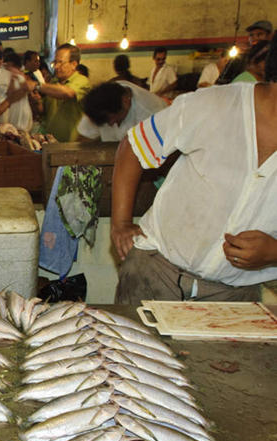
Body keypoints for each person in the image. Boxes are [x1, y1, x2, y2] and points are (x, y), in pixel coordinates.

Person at [110, 33, 277, 306]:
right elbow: (133, 146)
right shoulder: (214, 105)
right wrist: (120, 225)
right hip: (154, 272)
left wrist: (274, 252)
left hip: (234, 296)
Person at [78, 81, 167, 142]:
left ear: (125, 101)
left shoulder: (152, 114)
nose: (111, 124)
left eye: (112, 118)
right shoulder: (97, 105)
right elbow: (83, 139)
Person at [36, 43, 91, 142]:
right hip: (51, 143)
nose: (56, 67)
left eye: (61, 63)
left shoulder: (82, 81)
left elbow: (67, 93)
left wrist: (37, 85)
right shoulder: (53, 82)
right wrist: (37, 100)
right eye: (55, 62)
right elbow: (43, 111)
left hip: (72, 145)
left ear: (73, 64)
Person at [2, 52, 33, 132]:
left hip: (18, 110)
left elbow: (10, 94)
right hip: (19, 110)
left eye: (6, 65)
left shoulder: (18, 76)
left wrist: (12, 79)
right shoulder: (20, 76)